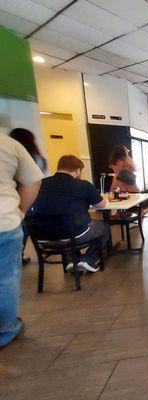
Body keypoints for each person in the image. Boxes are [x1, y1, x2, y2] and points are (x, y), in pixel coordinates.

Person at [27, 155, 109, 273]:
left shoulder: (40, 184)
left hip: (42, 237)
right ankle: (88, 259)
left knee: (68, 224)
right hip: (73, 235)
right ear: (77, 170)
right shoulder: (83, 185)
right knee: (103, 227)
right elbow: (101, 205)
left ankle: (73, 260)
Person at [0, 134, 42, 347]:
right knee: (5, 278)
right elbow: (33, 179)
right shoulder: (8, 145)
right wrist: (20, 212)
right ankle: (6, 330)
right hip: (4, 222)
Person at [9, 128, 48, 265]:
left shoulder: (12, 154)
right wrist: (22, 210)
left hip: (15, 201)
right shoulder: (36, 158)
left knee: (22, 228)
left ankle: (18, 254)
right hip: (32, 201)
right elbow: (35, 181)